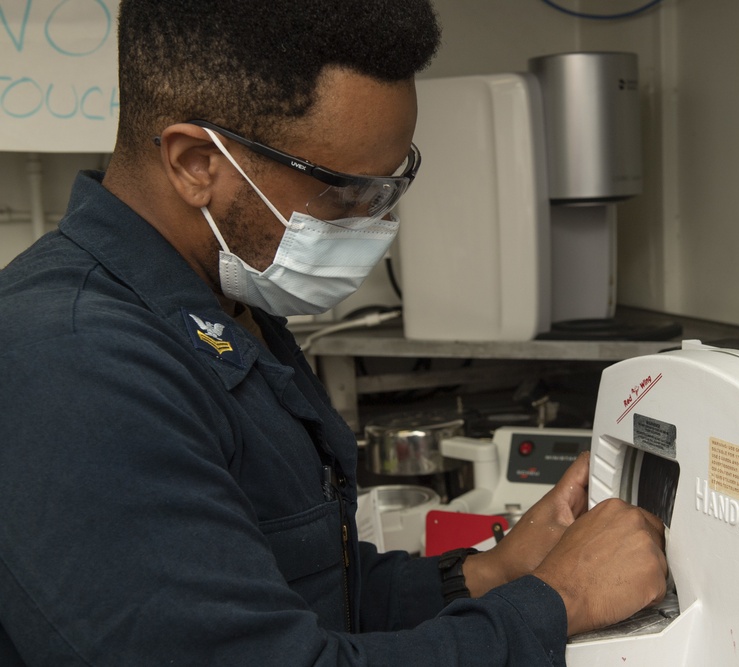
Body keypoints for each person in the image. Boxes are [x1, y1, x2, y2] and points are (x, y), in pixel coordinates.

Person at [0, 1, 668, 665]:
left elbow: (302, 593)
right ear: (196, 162)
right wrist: (559, 600)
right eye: (344, 193)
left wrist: (494, 572)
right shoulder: (72, 362)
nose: (372, 226)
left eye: (389, 188)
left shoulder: (224, 307)